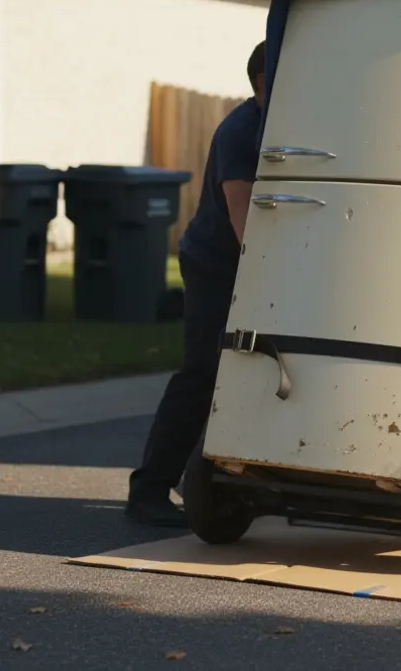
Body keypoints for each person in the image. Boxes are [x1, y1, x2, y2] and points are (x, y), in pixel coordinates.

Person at [125, 40, 267, 527]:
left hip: (250, 264)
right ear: (263, 83)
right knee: (204, 372)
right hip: (216, 265)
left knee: (256, 373)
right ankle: (148, 490)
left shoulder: (283, 123)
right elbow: (242, 218)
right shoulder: (241, 131)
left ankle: (228, 486)